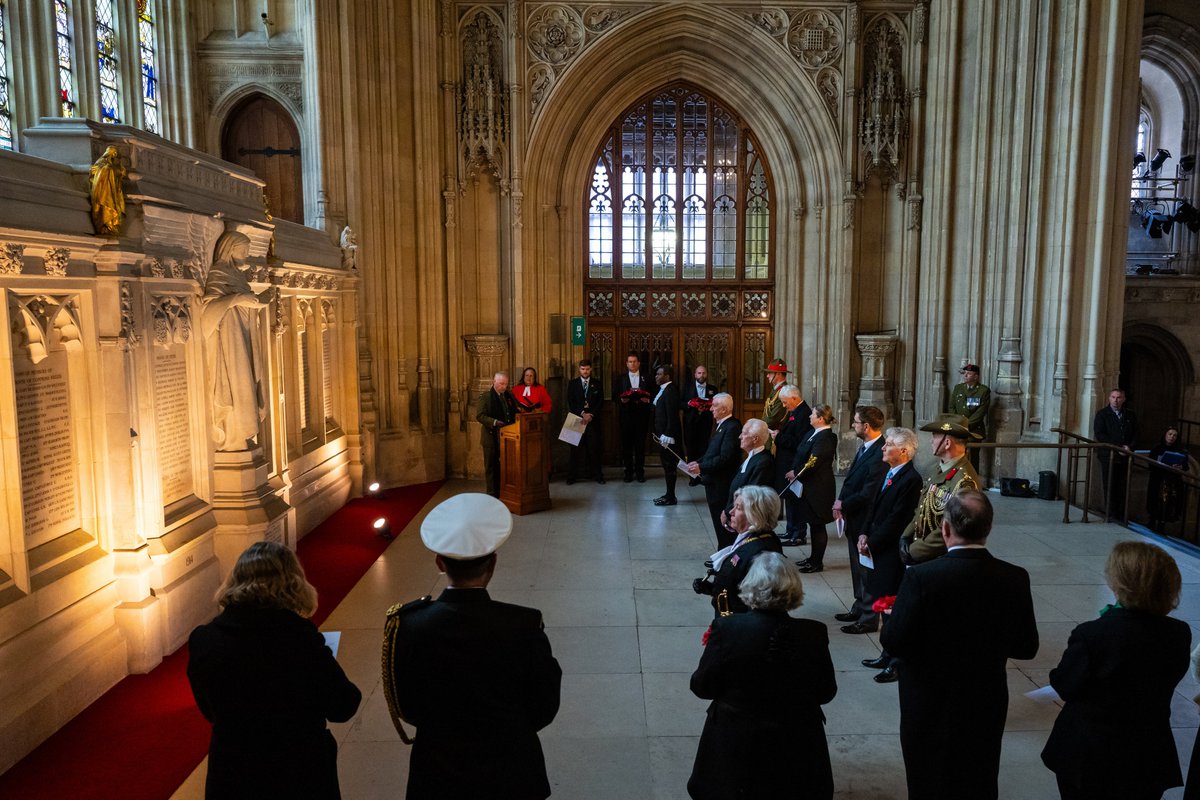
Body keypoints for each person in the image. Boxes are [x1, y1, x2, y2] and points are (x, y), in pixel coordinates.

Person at [382, 493, 562, 800]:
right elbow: (544, 705)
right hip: (510, 769)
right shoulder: (523, 624)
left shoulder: (408, 624)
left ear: (439, 562)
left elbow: (405, 705)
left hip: (438, 772)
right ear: (493, 562)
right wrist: (508, 729)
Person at [881, 490, 1039, 800]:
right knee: (978, 776)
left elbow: (894, 641)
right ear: (989, 529)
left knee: (927, 777)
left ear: (945, 529)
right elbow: (1026, 647)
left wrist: (891, 617)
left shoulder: (921, 578)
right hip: (984, 699)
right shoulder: (1014, 578)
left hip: (927, 701)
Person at [187, 541, 362, 800]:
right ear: (293, 583)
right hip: (296, 771)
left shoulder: (204, 639)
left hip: (232, 772)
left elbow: (208, 709)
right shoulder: (299, 639)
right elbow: (343, 705)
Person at [1040, 541, 1189, 800]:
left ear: (1120, 584)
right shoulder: (1178, 633)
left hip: (1090, 755)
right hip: (1147, 752)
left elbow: (1064, 685)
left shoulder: (1093, 634)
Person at [688, 552, 836, 800]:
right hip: (797, 742)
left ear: (749, 586)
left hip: (736, 745)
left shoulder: (728, 629)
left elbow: (702, 686)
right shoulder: (814, 633)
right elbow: (826, 692)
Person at [853, 429, 922, 685]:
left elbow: (898, 519)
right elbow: (874, 507)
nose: (883, 448)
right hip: (876, 546)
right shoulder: (891, 473)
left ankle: (896, 662)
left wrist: (872, 541)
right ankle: (886, 652)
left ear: (904, 451)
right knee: (883, 603)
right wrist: (863, 533)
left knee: (893, 607)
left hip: (891, 552)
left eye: (889, 445)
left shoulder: (910, 479)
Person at [202, 230, 271, 451]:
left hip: (244, 340)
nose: (247, 256)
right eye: (244, 251)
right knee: (234, 385)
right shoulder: (218, 274)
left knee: (246, 383)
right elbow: (208, 313)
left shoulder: (238, 276)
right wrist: (237, 299)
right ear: (231, 250)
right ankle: (233, 436)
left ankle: (242, 435)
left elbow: (242, 303)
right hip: (228, 345)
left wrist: (255, 303)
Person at [833, 406, 889, 628]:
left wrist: (844, 503)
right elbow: (850, 481)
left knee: (866, 570)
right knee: (857, 567)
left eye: (855, 422)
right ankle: (859, 606)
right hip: (853, 516)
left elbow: (869, 492)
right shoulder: (866, 448)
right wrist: (841, 504)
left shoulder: (879, 453)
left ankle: (868, 617)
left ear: (866, 426)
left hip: (866, 519)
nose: (853, 425)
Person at [900, 413, 981, 565]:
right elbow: (922, 507)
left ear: (947, 443)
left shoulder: (964, 481)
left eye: (935, 436)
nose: (931, 440)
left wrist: (914, 551)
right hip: (923, 552)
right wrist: (906, 535)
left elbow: (952, 528)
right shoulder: (938, 468)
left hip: (940, 559)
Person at [691, 485, 784, 616]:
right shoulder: (749, 538)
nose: (731, 512)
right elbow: (737, 583)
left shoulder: (762, 553)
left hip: (738, 624)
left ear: (755, 514)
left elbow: (761, 602)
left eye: (738, 508)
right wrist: (713, 589)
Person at [686, 393, 743, 547]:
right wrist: (697, 462)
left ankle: (726, 555)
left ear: (724, 409)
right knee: (719, 525)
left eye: (714, 406)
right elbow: (712, 453)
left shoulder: (732, 427)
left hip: (722, 484)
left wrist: (701, 467)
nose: (711, 409)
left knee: (724, 525)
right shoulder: (721, 425)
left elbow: (725, 457)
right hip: (714, 483)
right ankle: (722, 552)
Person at [788, 404, 838, 574]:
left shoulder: (826, 437)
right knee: (812, 523)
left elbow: (814, 462)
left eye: (812, 415)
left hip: (819, 489)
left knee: (818, 525)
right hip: (808, 487)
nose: (809, 417)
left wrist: (795, 472)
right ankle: (812, 558)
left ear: (821, 419)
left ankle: (817, 562)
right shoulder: (813, 433)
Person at [721, 419, 775, 548]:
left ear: (755, 439)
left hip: (748, 517)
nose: (740, 436)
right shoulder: (752, 456)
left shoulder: (763, 462)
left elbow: (750, 494)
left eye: (744, 433)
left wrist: (729, 511)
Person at [772, 385, 813, 545]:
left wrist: (779, 437)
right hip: (787, 462)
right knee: (789, 497)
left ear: (794, 399)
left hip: (794, 463)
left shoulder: (804, 414)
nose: (783, 405)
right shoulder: (795, 411)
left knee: (796, 500)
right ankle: (791, 529)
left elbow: (799, 442)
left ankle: (799, 533)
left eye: (785, 402)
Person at [1093, 388, 1137, 519]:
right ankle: (1110, 513)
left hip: (1125, 456)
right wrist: (1118, 447)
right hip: (1109, 456)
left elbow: (1136, 433)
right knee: (1110, 485)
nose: (1115, 400)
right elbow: (1100, 434)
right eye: (1113, 397)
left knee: (1123, 486)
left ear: (1123, 399)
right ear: (1109, 398)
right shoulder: (1102, 414)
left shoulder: (1130, 415)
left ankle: (1121, 513)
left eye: (1118, 398)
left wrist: (1129, 447)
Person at [614, 351, 653, 482]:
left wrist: (648, 400)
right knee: (627, 445)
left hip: (642, 416)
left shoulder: (647, 377)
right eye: (630, 362)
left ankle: (640, 472)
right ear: (627, 364)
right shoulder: (621, 378)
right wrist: (621, 400)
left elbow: (654, 393)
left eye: (635, 361)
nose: (632, 364)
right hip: (626, 416)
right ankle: (628, 472)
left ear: (639, 363)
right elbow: (615, 395)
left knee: (640, 445)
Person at [475, 372, 516, 497]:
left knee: (503, 466)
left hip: (507, 436)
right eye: (501, 384)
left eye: (506, 384)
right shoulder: (486, 397)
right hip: (491, 437)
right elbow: (480, 415)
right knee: (491, 467)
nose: (504, 387)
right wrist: (494, 422)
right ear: (494, 382)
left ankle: (503, 491)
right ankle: (492, 493)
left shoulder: (508, 396)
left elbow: (514, 411)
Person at [566, 359, 605, 485]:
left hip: (592, 420)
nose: (585, 371)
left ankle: (598, 475)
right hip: (576, 418)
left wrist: (591, 414)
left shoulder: (597, 383)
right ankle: (572, 476)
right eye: (583, 369)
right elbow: (570, 401)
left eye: (587, 369)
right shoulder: (573, 383)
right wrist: (582, 413)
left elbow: (600, 401)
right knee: (574, 449)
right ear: (579, 369)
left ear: (591, 369)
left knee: (594, 448)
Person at [948, 362, 990, 470]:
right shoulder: (958, 388)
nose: (965, 375)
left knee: (973, 458)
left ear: (976, 376)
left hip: (974, 431)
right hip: (958, 429)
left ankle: (973, 482)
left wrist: (965, 425)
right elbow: (952, 407)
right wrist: (957, 423)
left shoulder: (983, 391)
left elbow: (980, 412)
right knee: (957, 456)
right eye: (964, 373)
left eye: (969, 373)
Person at [651, 364, 683, 506]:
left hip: (668, 436)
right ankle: (669, 494)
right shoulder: (663, 390)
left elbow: (672, 416)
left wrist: (668, 434)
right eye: (656, 374)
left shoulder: (670, 391)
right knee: (666, 465)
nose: (656, 377)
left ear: (667, 376)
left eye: (659, 374)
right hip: (662, 435)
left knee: (670, 465)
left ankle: (671, 497)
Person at [1147, 426, 1188, 531]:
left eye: (1174, 435)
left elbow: (1185, 466)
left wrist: (1180, 466)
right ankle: (1151, 522)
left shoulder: (1180, 450)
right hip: (1158, 479)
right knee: (1155, 500)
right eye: (1170, 434)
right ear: (1165, 435)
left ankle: (1162, 525)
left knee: (1168, 503)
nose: (1172, 437)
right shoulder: (1157, 448)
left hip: (1172, 481)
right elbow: (1150, 463)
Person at [681, 365, 716, 484]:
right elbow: (680, 403)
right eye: (699, 373)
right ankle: (692, 477)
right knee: (691, 450)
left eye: (704, 373)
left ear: (707, 375)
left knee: (704, 449)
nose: (701, 375)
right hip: (690, 423)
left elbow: (716, 404)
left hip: (705, 423)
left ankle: (702, 475)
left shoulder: (713, 389)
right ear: (695, 375)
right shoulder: (687, 388)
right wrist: (689, 404)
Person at [89, 145, 126, 235]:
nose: (114, 156)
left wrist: (120, 172)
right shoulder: (102, 162)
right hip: (103, 191)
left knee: (112, 208)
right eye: (113, 154)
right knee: (105, 207)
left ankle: (111, 226)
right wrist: (108, 169)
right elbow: (93, 171)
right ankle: (106, 226)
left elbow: (116, 176)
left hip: (111, 192)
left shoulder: (111, 165)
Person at [761, 358, 790, 432]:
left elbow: (774, 418)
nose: (767, 376)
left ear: (778, 374)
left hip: (774, 433)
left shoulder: (784, 391)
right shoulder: (776, 389)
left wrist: (759, 426)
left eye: (770, 373)